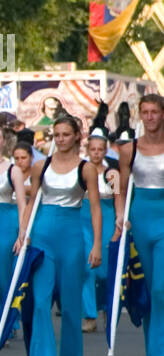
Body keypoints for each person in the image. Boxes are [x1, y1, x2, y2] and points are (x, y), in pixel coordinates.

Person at [24, 115, 101, 356]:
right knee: (41, 300)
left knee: (70, 304)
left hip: (71, 235)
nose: (61, 139)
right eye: (56, 134)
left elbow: (94, 207)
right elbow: (32, 201)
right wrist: (23, 235)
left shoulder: (87, 168)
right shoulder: (40, 165)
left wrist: (96, 244)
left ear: (77, 135)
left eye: (66, 134)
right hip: (43, 235)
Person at [115, 93, 164, 356]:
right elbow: (121, 188)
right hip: (141, 216)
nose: (149, 117)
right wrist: (121, 216)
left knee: (160, 288)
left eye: (154, 112)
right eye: (144, 112)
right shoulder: (129, 149)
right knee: (148, 289)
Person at [0, 123, 28, 342]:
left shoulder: (13, 169)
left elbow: (22, 204)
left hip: (4, 226)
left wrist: (22, 234)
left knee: (2, 280)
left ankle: (5, 325)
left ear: (3, 141)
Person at [79, 106, 118, 332]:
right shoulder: (81, 169)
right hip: (83, 217)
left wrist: (122, 220)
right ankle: (89, 314)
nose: (95, 153)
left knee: (103, 271)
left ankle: (104, 305)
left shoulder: (111, 173)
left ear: (104, 151)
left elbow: (119, 198)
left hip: (107, 216)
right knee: (86, 267)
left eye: (99, 149)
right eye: (92, 149)